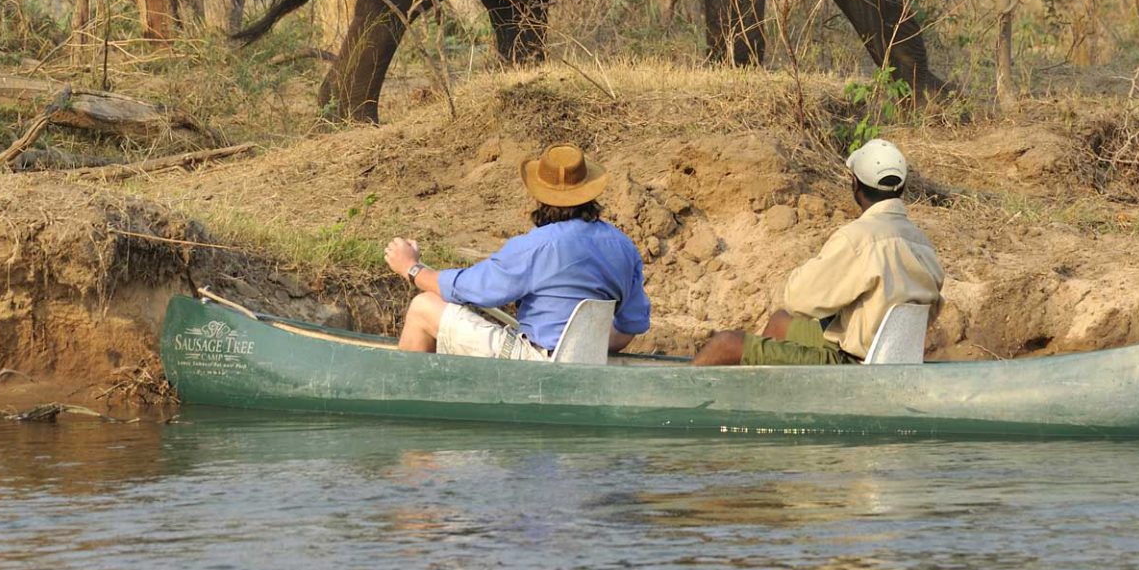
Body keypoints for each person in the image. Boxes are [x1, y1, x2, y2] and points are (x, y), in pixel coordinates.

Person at [386, 144, 651, 359]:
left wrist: (412, 268)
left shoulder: (536, 245)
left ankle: (403, 396)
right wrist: (579, 349)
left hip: (537, 361)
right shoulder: (624, 246)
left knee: (423, 307)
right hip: (587, 360)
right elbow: (630, 327)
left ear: (541, 195)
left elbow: (469, 289)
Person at [692, 138, 942, 366]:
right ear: (902, 187)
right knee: (781, 322)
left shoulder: (857, 238)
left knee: (725, 344)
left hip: (850, 365)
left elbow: (797, 300)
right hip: (887, 360)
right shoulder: (923, 243)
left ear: (855, 184)